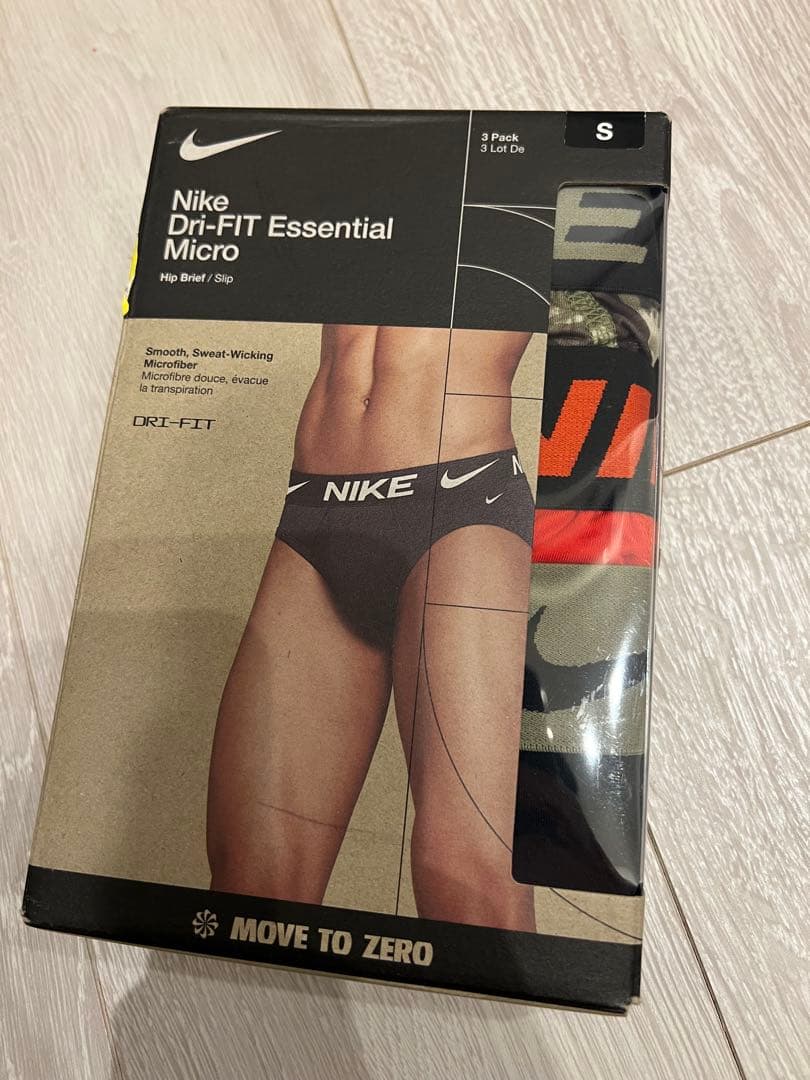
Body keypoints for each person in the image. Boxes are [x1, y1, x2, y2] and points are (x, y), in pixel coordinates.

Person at [207, 323, 537, 932]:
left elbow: (608, 327)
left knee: (469, 881)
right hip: (314, 510)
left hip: (461, 501)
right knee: (249, 894)